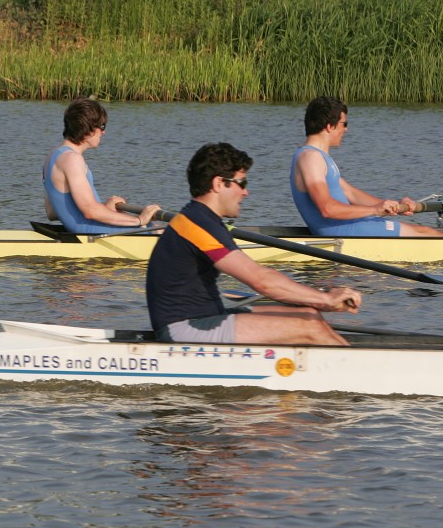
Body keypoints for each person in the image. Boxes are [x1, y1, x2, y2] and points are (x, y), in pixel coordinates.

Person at [146, 142, 361, 346]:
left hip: (207, 317)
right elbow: (261, 282)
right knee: (310, 327)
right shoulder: (198, 225)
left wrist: (318, 302)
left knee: (308, 314)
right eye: (242, 183)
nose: (246, 192)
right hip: (183, 328)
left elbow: (261, 274)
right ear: (219, 183)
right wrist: (325, 298)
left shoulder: (204, 220)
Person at [290, 96, 441, 237]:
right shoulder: (311, 158)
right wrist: (375, 210)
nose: (346, 129)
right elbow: (327, 209)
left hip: (350, 225)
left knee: (427, 231)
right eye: (345, 124)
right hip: (343, 231)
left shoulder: (318, 157)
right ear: (330, 126)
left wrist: (391, 205)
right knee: (429, 233)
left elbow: (350, 193)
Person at [43, 98, 160, 233]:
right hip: (88, 230)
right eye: (102, 126)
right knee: (159, 231)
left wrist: (105, 208)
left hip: (81, 227)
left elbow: (52, 212)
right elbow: (89, 211)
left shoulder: (52, 155)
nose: (103, 132)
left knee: (153, 227)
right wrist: (139, 220)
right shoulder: (72, 160)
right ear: (88, 128)